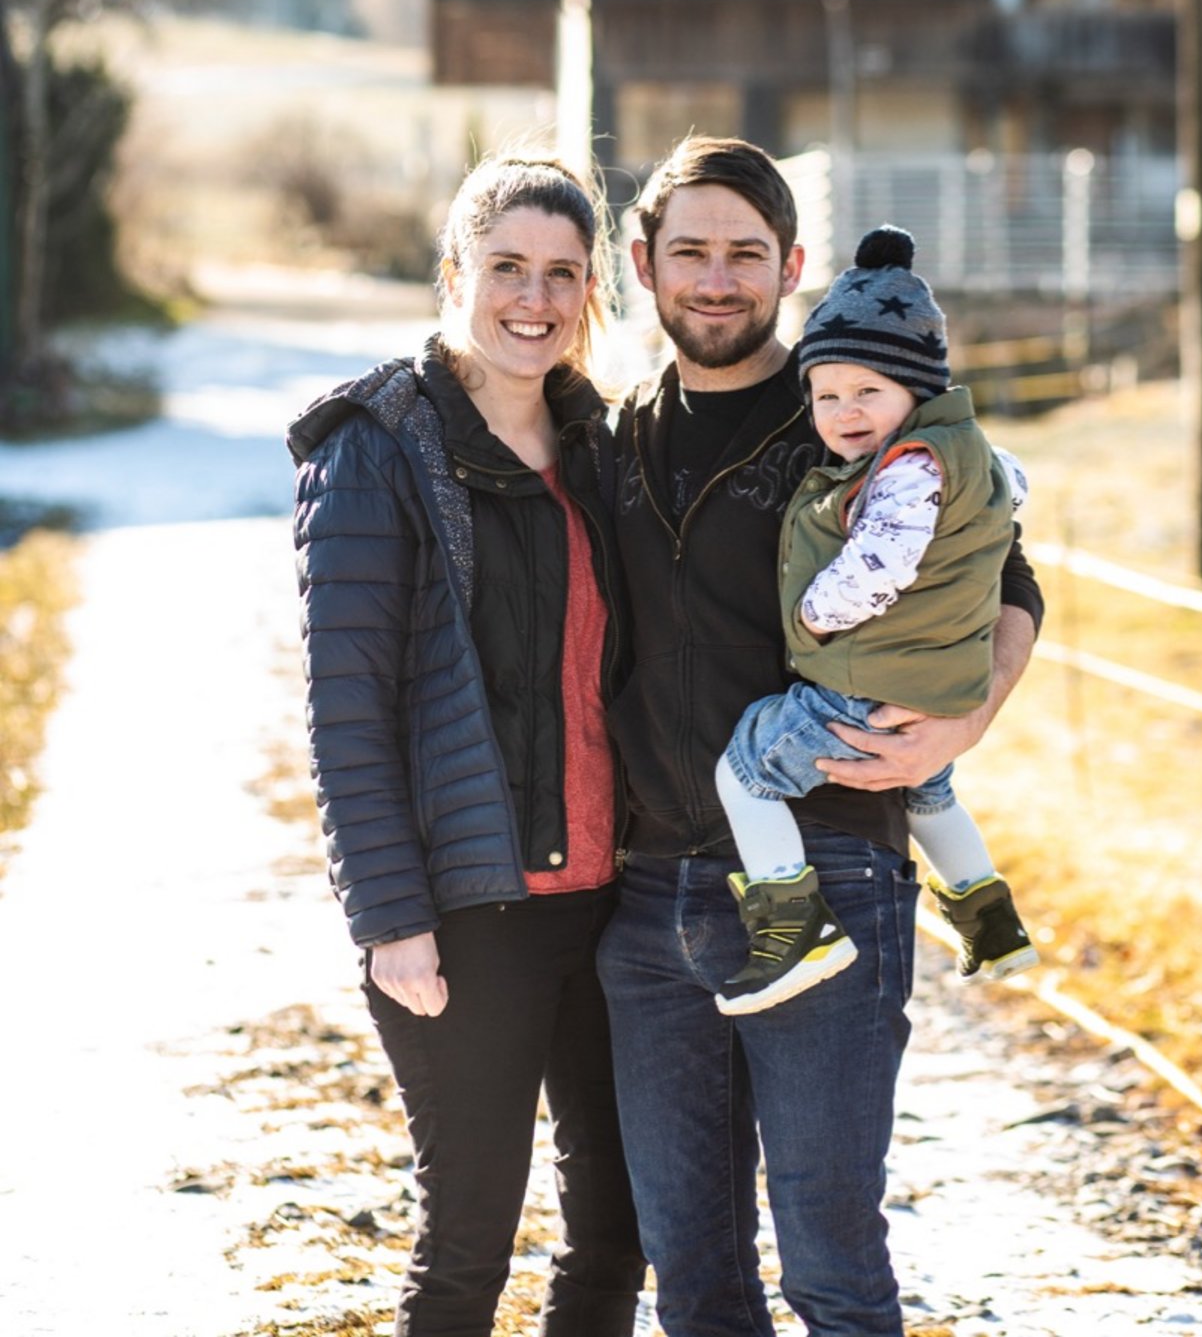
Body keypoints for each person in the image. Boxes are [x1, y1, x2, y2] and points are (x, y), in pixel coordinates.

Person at [596, 135, 1043, 1337]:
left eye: (745, 252)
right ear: (644, 263)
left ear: (788, 264)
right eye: (688, 249)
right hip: (647, 900)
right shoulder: (614, 432)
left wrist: (966, 710)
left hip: (832, 862)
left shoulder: (849, 418)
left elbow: (1006, 574)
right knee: (689, 1270)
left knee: (830, 1263)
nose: (715, 277)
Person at [287, 154, 644, 1337]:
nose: (532, 299)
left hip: (614, 907)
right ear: (455, 273)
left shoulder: (602, 448)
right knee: (464, 1251)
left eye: (560, 274)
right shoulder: (378, 445)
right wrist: (390, 920)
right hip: (466, 912)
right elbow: (348, 712)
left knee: (617, 1239)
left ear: (590, 292)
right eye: (505, 268)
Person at [713, 223, 1038, 1018]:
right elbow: (1014, 491)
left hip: (863, 683)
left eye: (868, 392)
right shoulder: (976, 458)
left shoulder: (906, 470)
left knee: (745, 769)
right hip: (933, 682)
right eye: (827, 395)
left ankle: (793, 925)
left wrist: (814, 615)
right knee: (929, 796)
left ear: (916, 391)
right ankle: (988, 917)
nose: (844, 412)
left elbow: (881, 565)